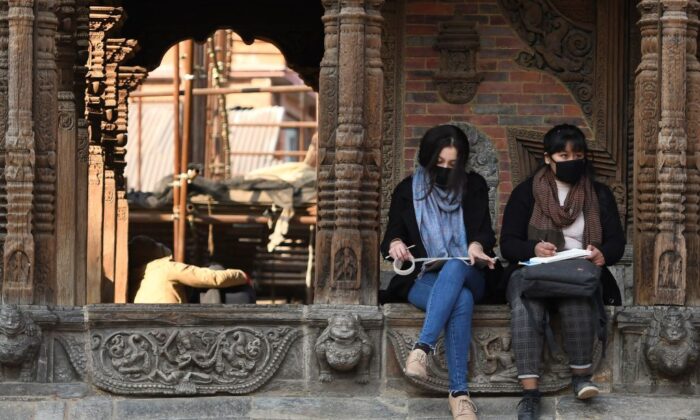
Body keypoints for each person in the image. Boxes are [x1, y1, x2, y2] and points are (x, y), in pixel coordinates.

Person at [499, 124, 625, 420]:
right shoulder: (526, 193)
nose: (571, 160)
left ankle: (582, 378)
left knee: (578, 298)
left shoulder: (599, 194)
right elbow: (508, 244)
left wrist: (602, 253)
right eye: (563, 154)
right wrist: (533, 249)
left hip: (579, 272)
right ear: (547, 158)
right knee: (524, 305)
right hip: (534, 272)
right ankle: (530, 393)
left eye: (577, 154)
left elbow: (617, 241)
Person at [380, 124, 497, 420]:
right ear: (428, 160)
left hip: (471, 270)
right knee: (461, 301)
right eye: (439, 163)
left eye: (452, 164)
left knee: (457, 264)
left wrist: (475, 245)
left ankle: (422, 347)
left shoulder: (475, 186)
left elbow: (485, 232)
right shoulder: (407, 190)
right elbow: (391, 234)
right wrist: (395, 244)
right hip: (424, 276)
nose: (445, 169)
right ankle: (459, 395)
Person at [128, 236, 251, 304]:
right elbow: (210, 278)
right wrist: (241, 275)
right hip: (173, 324)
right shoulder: (164, 268)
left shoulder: (133, 280)